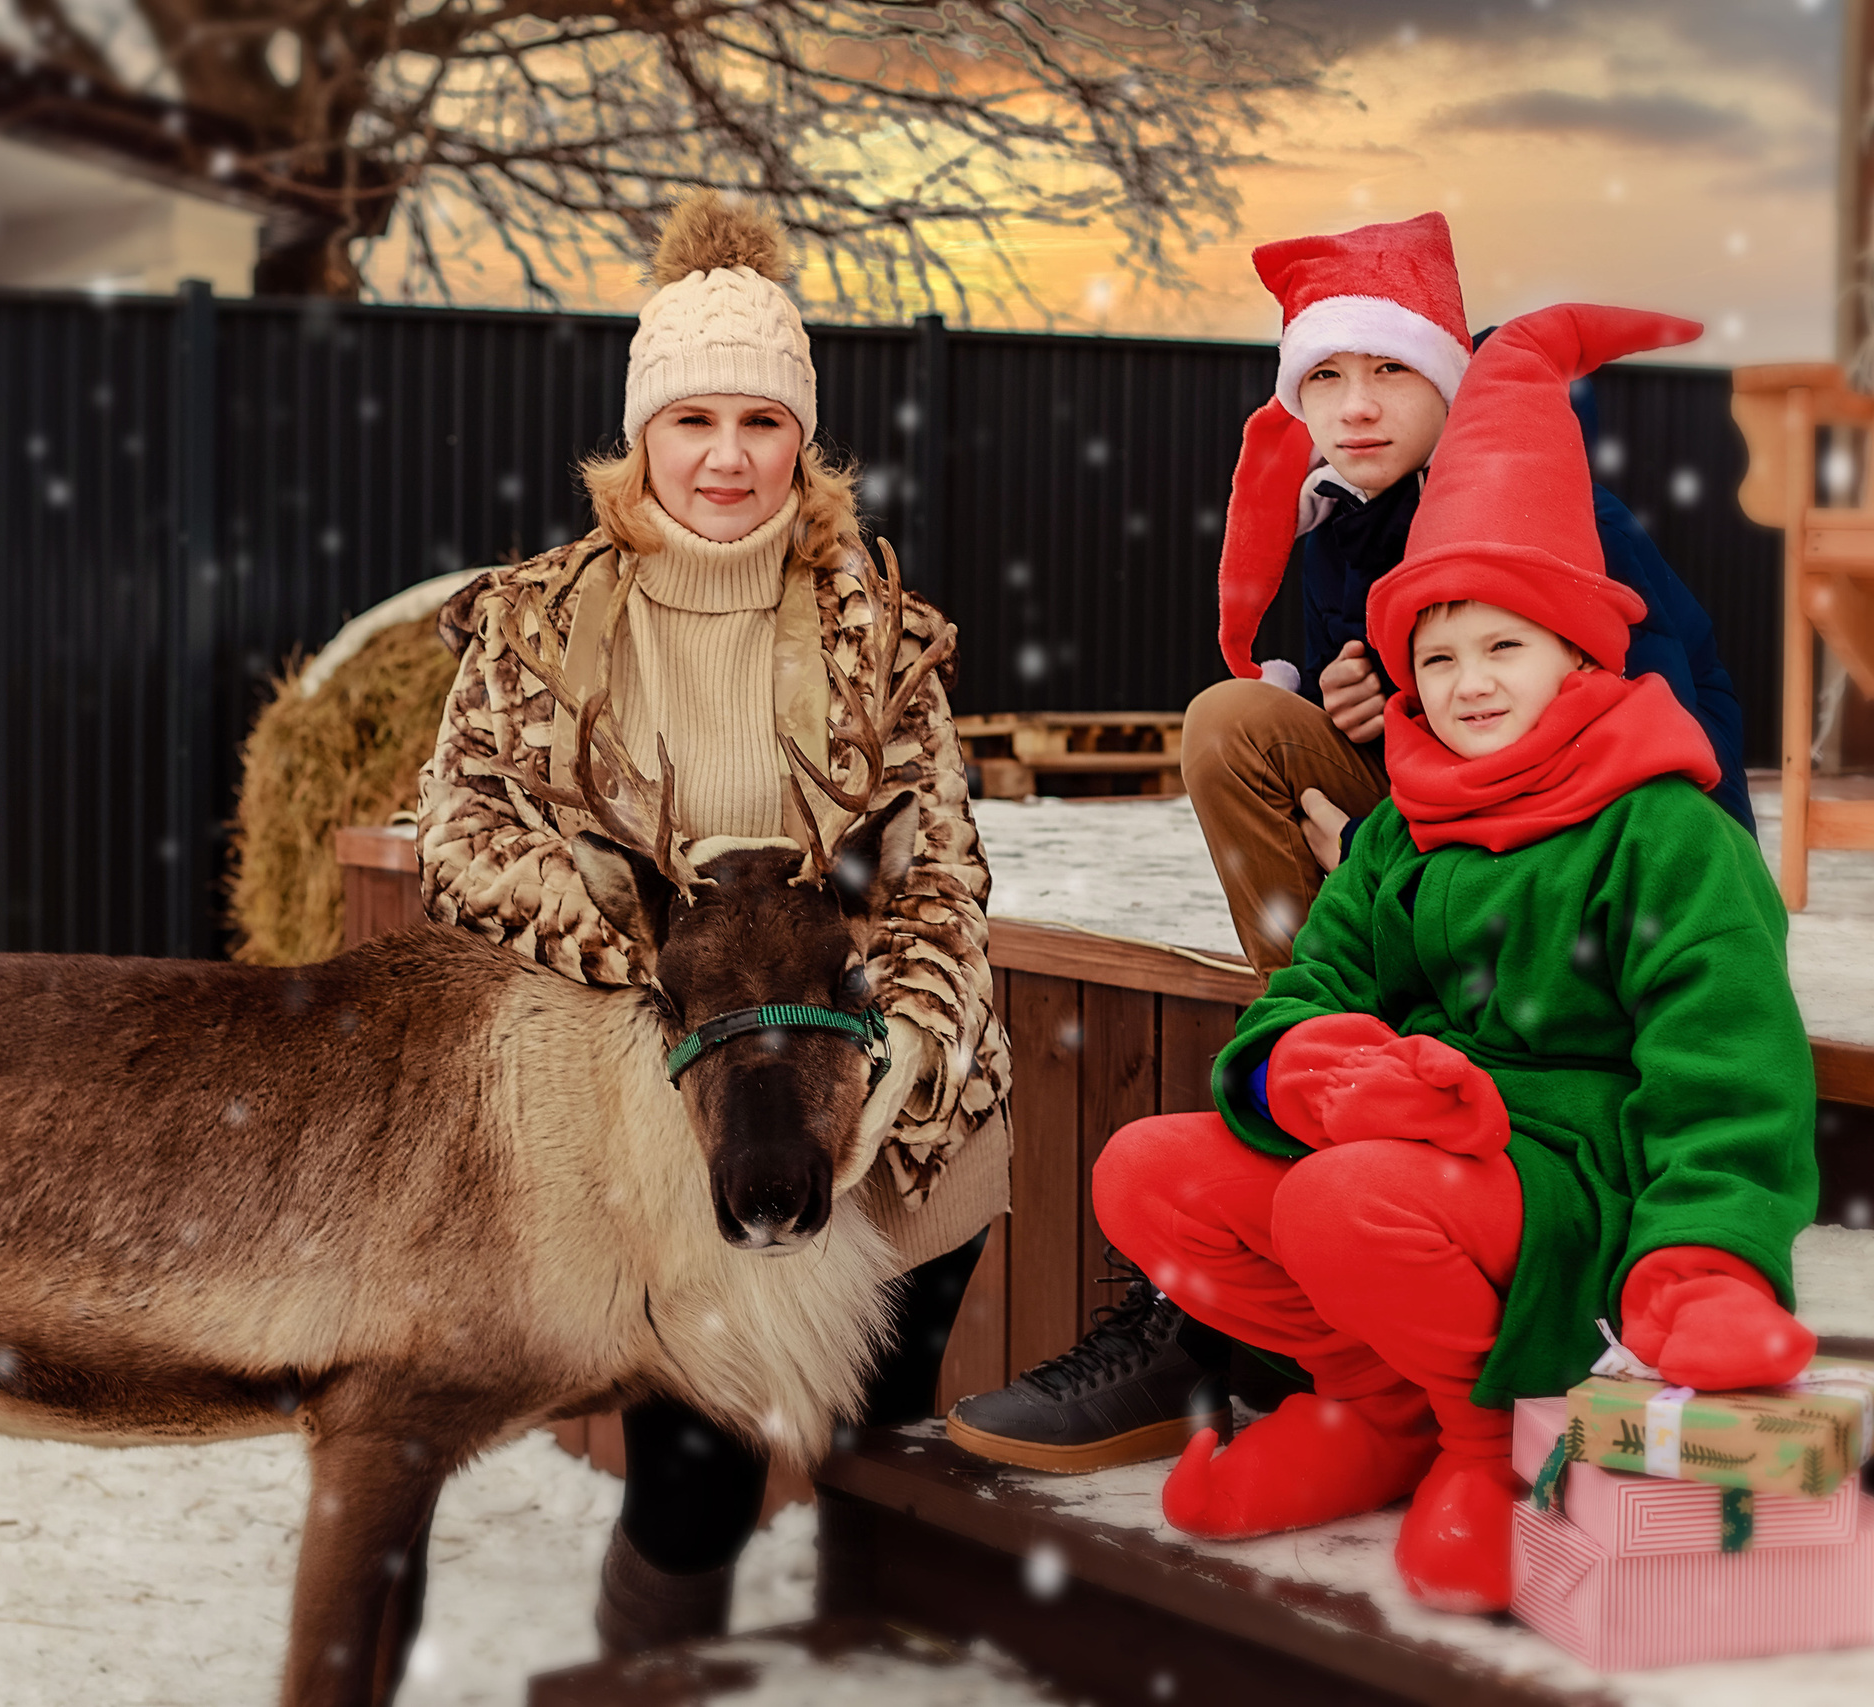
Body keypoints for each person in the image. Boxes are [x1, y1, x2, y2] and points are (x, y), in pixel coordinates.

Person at [947, 212, 1755, 1475]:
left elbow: (1666, 743)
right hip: (1412, 854)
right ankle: (1326, 1061)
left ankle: (1435, 1388)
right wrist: (1376, 753)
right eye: (1324, 376)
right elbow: (1384, 733)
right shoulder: (1334, 530)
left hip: (1585, 885)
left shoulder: (1555, 516)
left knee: (1270, 748)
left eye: (1388, 371)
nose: (1356, 406)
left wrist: (1422, 762)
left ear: (1445, 377)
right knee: (1236, 726)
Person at [1083, 302, 1817, 1612]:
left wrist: (1704, 1259)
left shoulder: (1664, 829)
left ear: (1578, 650)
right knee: (1150, 1171)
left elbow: (1734, 1078)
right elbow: (1307, 987)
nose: (1471, 683)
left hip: (1579, 1190)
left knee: (1340, 1200)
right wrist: (1310, 1073)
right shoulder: (1410, 830)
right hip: (1424, 1168)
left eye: (1504, 647)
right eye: (1440, 656)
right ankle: (1380, 1409)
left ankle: (1490, 1439)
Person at [414, 191, 1012, 1653]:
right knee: (692, 1481)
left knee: (889, 1469)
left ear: (803, 438)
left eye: (761, 419)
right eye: (693, 420)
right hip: (674, 1115)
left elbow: (939, 869)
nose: (729, 457)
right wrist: (658, 958)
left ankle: (875, 1675)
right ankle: (652, 1675)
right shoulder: (541, 628)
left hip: (885, 1105)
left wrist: (912, 1050)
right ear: (642, 437)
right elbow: (460, 834)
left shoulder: (883, 634)